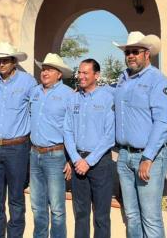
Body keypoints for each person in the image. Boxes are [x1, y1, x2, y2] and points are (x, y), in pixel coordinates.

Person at [111, 31, 167, 238]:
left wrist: (148, 157)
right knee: (131, 214)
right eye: (127, 52)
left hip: (148, 157)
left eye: (134, 52)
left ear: (147, 54)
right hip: (125, 155)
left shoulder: (158, 80)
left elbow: (162, 122)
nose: (130, 55)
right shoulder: (122, 79)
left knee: (150, 216)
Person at [0, 42, 37, 238]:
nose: (2, 63)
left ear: (14, 62)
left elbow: (36, 110)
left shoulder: (28, 82)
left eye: (6, 60)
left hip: (17, 148)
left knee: (15, 198)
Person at [63, 58, 115, 238]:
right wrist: (77, 159)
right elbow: (67, 130)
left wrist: (89, 161)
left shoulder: (108, 98)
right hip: (78, 163)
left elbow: (110, 136)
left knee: (101, 216)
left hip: (100, 163)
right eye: (80, 72)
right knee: (81, 215)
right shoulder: (73, 99)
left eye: (86, 73)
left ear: (97, 75)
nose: (81, 76)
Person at [28, 53, 74, 238]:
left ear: (59, 74)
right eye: (44, 69)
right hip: (34, 153)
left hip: (56, 155)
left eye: (50, 69)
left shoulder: (69, 95)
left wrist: (71, 159)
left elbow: (73, 130)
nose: (45, 72)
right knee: (37, 207)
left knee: (56, 209)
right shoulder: (35, 92)